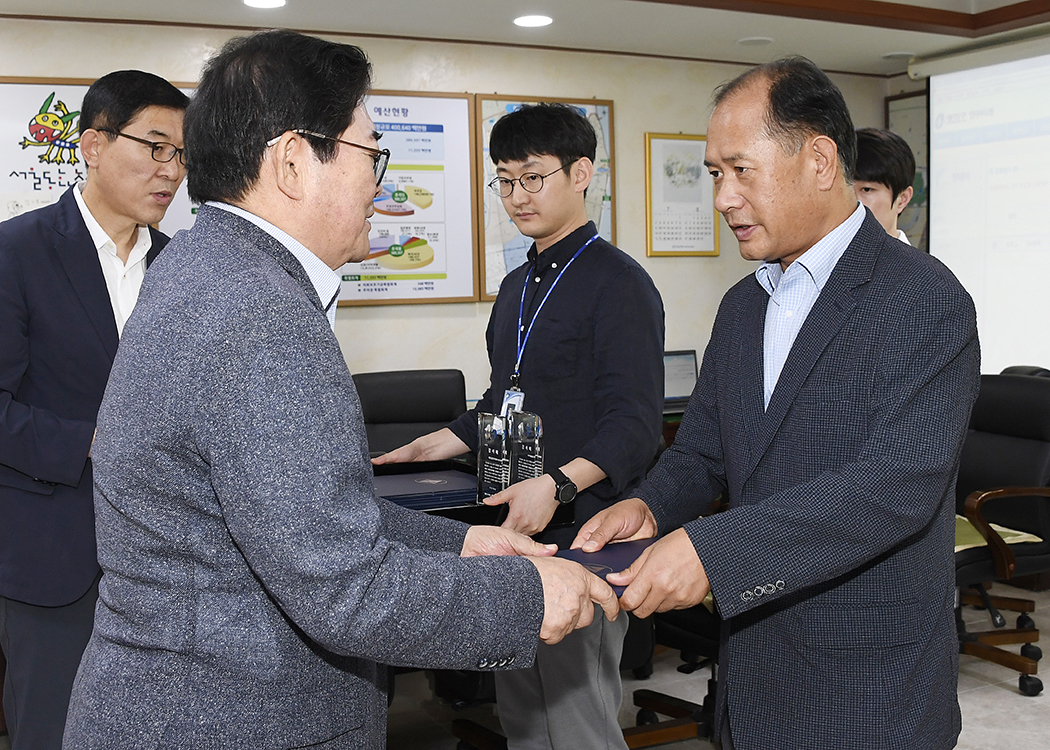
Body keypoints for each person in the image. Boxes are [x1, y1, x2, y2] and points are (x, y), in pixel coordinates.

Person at [62, 30, 617, 750]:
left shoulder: (204, 266)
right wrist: (529, 596)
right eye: (370, 154)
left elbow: (298, 519)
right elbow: (343, 588)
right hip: (226, 721)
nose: (377, 183)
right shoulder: (259, 311)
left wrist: (457, 548)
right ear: (295, 161)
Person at [575, 57, 980, 750]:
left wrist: (710, 551)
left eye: (740, 170)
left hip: (870, 690)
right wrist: (650, 508)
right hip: (753, 674)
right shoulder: (743, 306)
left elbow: (893, 489)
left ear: (819, 160)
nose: (722, 198)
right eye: (712, 175)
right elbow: (702, 450)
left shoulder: (923, 298)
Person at [376, 103, 664, 749]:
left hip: (586, 531)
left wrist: (556, 486)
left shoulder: (621, 284)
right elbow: (502, 403)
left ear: (582, 172)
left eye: (533, 177)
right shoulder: (516, 287)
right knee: (523, 718)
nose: (516, 196)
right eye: (504, 181)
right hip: (511, 534)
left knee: (578, 721)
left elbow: (635, 426)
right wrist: (430, 446)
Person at [0, 70, 188, 750]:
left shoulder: (182, 268)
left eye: (182, 155)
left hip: (168, 560)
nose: (172, 171)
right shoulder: (15, 253)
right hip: (55, 556)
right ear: (93, 145)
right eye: (156, 147)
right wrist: (93, 441)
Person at [853, 127, 916, 243]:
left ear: (902, 199)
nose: (852, 202)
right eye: (845, 189)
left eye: (867, 190)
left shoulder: (918, 261)